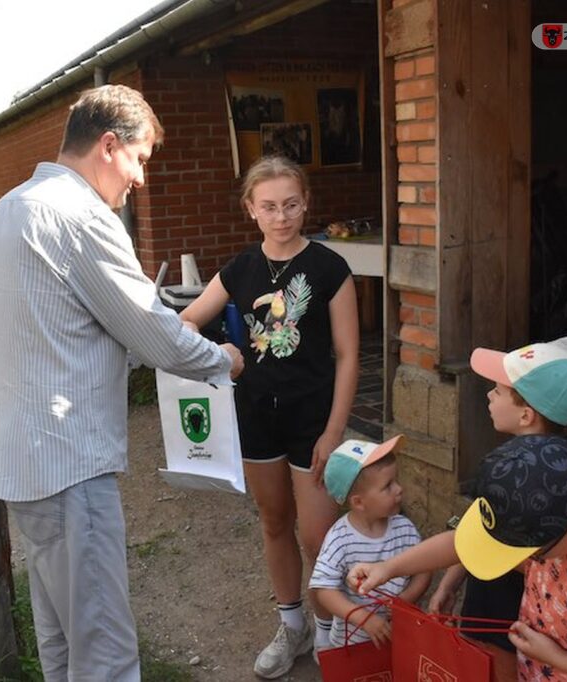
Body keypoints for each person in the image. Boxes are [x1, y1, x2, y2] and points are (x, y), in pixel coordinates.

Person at [0, 84, 244, 682]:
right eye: (140, 160)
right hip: (67, 461)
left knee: (64, 637)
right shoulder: (80, 217)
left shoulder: (9, 207)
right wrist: (222, 360)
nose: (141, 180)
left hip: (22, 458)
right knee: (106, 651)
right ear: (109, 145)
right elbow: (151, 331)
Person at [180, 155, 359, 678]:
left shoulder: (330, 268)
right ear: (251, 210)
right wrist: (212, 350)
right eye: (269, 206)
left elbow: (348, 355)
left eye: (291, 204)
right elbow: (189, 319)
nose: (281, 216)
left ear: (305, 205)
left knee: (317, 535)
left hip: (313, 416)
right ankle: (293, 625)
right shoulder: (239, 268)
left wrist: (334, 430)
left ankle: (329, 627)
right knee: (275, 520)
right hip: (255, 414)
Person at [347, 434, 567, 682]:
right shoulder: (563, 501)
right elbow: (459, 544)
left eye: (524, 554)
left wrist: (557, 658)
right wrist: (388, 568)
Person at [428, 343, 567, 663]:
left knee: (499, 661)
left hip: (510, 606)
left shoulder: (551, 489)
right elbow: (480, 528)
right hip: (488, 590)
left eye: (498, 390)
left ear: (526, 415)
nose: (489, 394)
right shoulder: (520, 468)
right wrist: (450, 582)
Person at [309, 436, 430, 653]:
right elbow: (323, 590)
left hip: (402, 634)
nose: (399, 489)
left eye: (397, 480)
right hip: (354, 642)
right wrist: (363, 618)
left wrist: (408, 597)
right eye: (388, 486)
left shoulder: (404, 528)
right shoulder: (340, 538)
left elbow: (423, 569)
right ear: (358, 502)